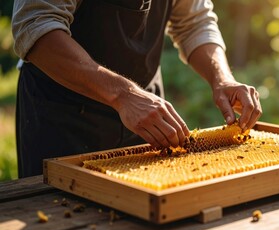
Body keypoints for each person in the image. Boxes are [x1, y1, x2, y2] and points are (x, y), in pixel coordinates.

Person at [12, 0, 262, 178]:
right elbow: (36, 24)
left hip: (148, 115)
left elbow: (195, 21)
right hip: (63, 116)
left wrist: (222, 78)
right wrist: (123, 95)